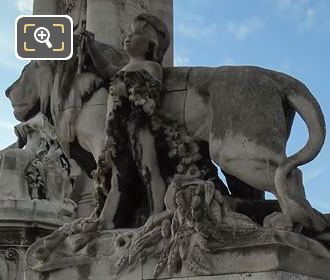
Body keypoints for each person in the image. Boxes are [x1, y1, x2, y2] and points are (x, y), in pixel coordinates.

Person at [84, 14, 170, 229]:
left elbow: (150, 93)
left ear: (152, 44)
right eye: (128, 32)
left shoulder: (151, 66)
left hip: (138, 126)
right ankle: (106, 219)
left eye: (136, 33)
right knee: (117, 175)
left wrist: (128, 85)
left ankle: (157, 212)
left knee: (149, 168)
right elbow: (106, 69)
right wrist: (92, 47)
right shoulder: (123, 68)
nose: (128, 37)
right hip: (116, 131)